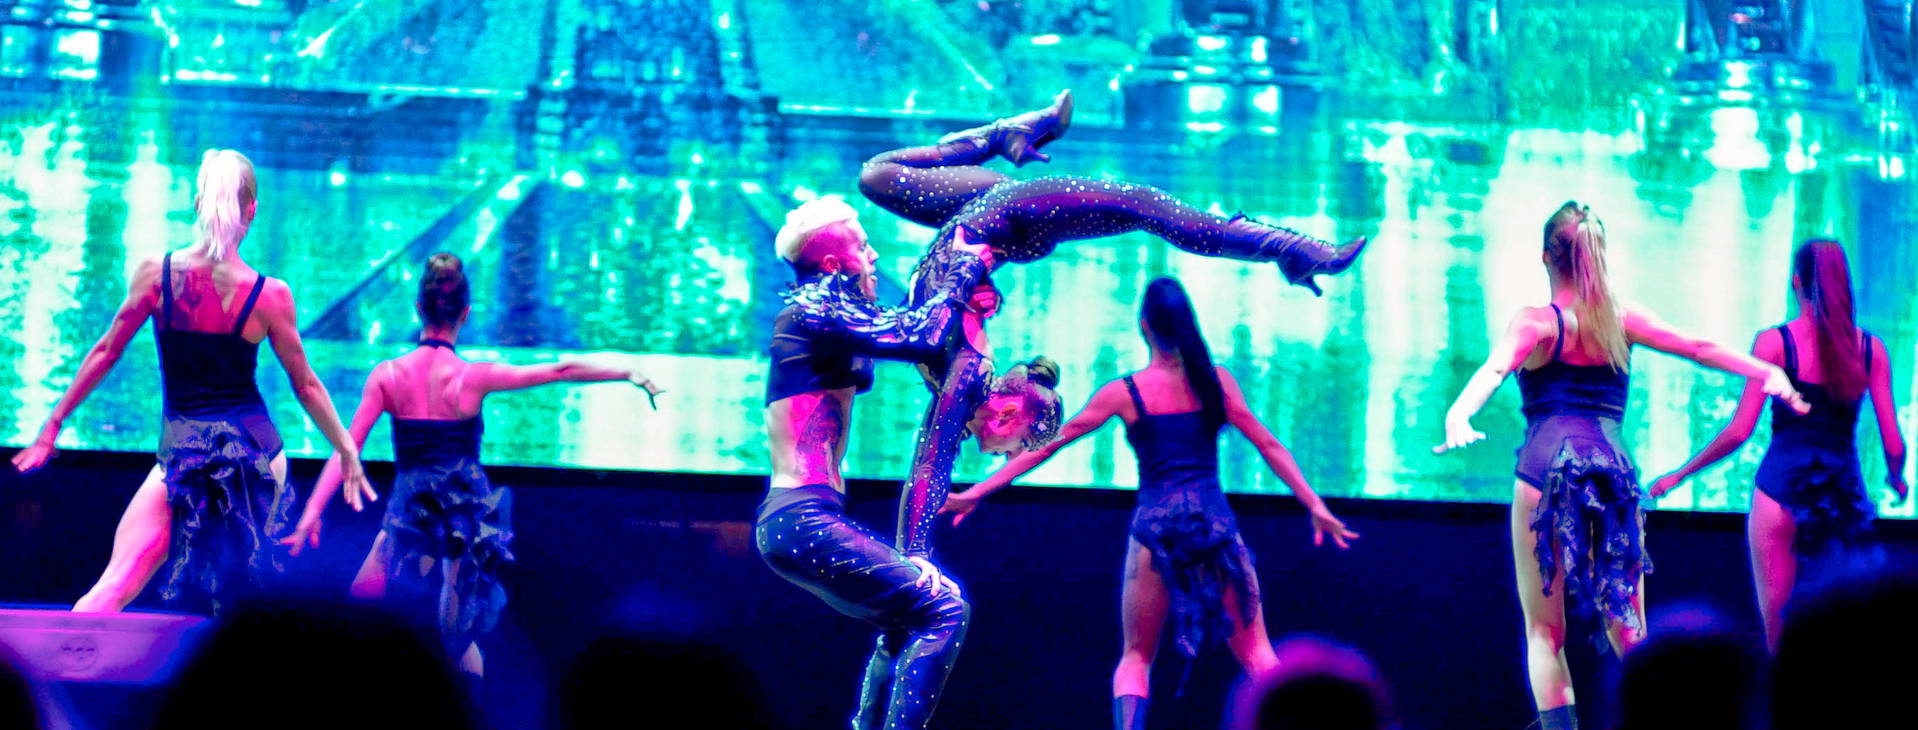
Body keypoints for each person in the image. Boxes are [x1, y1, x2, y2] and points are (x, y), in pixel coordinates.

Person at [1432, 201, 1808, 730]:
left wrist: (1460, 412)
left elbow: (1496, 369)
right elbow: (1697, 347)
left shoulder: (1537, 322)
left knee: (1545, 633)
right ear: (1599, 254)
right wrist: (1764, 370)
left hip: (1544, 473)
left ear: (1546, 256)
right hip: (1612, 473)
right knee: (1630, 628)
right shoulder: (1621, 321)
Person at [942, 276, 1357, 730]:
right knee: (1258, 653)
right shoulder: (1215, 383)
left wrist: (978, 491)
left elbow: (1048, 446)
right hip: (1213, 526)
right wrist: (1315, 504)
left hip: (1156, 528)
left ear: (1144, 326)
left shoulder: (1125, 392)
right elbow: (1270, 445)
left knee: (1136, 658)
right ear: (1187, 323)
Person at [10, 149, 369, 614]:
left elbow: (105, 352)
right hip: (255, 453)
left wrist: (52, 426)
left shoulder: (157, 277)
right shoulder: (270, 295)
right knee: (235, 604)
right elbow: (306, 385)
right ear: (252, 210)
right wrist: (346, 449)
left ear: (197, 203)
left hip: (186, 451)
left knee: (113, 587)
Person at [756, 198, 1063, 730]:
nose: (874, 255)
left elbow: (919, 329)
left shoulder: (835, 310)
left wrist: (976, 302)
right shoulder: (815, 308)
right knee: (945, 609)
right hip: (798, 520)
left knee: (905, 620)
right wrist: (965, 263)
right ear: (831, 263)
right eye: (863, 247)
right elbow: (921, 333)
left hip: (804, 517)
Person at [284, 253, 664, 683]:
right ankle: (464, 703)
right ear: (464, 313)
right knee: (458, 636)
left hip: (413, 505)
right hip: (462, 506)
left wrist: (312, 512)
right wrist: (628, 372)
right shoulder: (473, 377)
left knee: (361, 604)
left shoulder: (387, 376)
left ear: (418, 309)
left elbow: (346, 450)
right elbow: (561, 369)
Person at [1650, 239, 1908, 652]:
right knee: (1841, 636)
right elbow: (1893, 443)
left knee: (1780, 640)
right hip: (1841, 497)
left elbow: (1740, 431)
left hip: (1779, 493)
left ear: (1796, 281)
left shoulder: (1774, 343)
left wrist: (1681, 474)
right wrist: (1897, 479)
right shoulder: (1870, 350)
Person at [859, 89, 1367, 298]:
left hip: (997, 216)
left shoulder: (904, 309)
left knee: (874, 175)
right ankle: (1294, 249)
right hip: (1005, 214)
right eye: (858, 249)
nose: (871, 253)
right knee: (1145, 205)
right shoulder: (914, 319)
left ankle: (1009, 134)